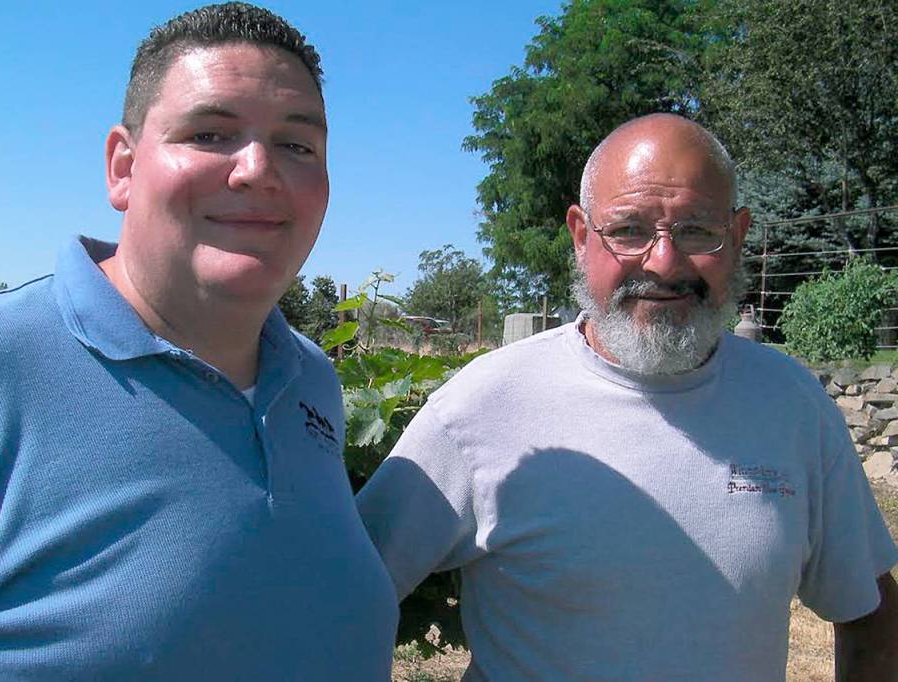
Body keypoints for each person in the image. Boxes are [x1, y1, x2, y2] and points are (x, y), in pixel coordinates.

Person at [0, 4, 398, 679]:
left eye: (298, 145)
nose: (258, 170)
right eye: (210, 133)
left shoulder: (311, 381)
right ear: (123, 167)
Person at [357, 114, 898, 681]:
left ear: (738, 236)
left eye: (696, 231)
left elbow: (870, 612)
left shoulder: (791, 404)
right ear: (581, 235)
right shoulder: (483, 405)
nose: (664, 262)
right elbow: (340, 598)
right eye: (629, 230)